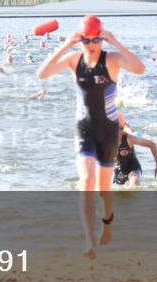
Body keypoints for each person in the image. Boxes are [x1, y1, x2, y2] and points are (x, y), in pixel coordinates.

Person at [37, 14, 146, 259]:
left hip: (108, 131)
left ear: (102, 39)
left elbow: (140, 68)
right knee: (86, 183)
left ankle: (107, 223)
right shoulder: (73, 60)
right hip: (84, 127)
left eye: (97, 39)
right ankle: (89, 242)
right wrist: (65, 45)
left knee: (103, 189)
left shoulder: (112, 60)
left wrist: (116, 41)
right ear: (81, 40)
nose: (92, 45)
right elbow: (42, 74)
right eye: (87, 40)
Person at [113, 111, 157, 187]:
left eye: (119, 129)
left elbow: (152, 145)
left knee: (134, 184)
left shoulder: (128, 139)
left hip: (133, 168)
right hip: (117, 170)